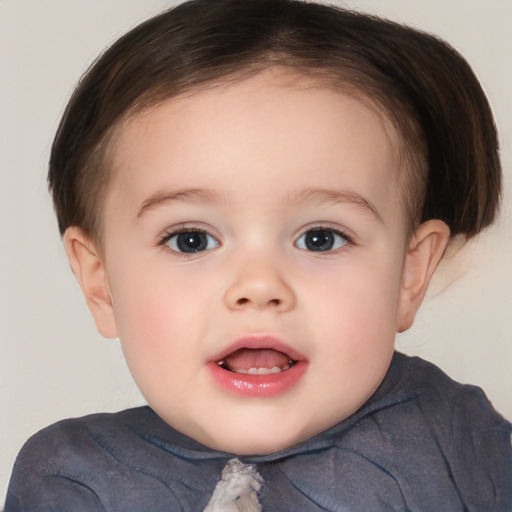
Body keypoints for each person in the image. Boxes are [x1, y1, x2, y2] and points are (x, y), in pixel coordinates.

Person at [5, 0, 511, 510]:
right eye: (191, 240)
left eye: (321, 238)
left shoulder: (462, 445)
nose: (259, 285)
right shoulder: (71, 482)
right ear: (100, 283)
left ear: (410, 273)